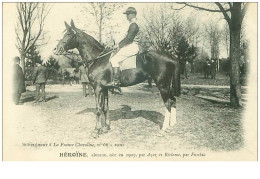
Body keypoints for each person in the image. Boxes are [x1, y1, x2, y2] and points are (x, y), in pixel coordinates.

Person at [107, 7, 142, 88]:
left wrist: (118, 46)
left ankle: (116, 81)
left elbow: (129, 39)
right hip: (130, 45)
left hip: (132, 46)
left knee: (114, 59)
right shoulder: (133, 24)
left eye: (128, 15)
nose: (126, 16)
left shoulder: (134, 24)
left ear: (133, 14)